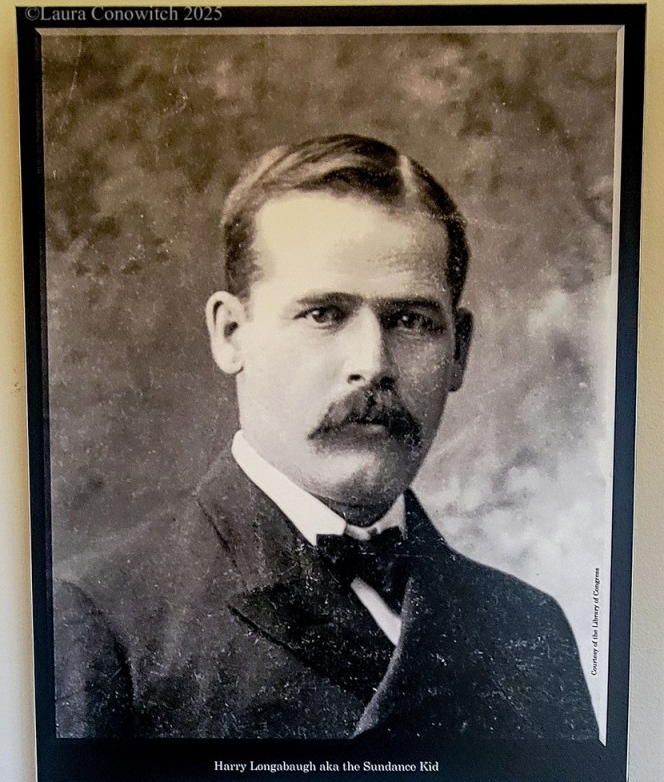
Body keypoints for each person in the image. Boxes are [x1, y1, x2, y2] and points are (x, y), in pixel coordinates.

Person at [54, 134, 597, 742]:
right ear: (231, 333)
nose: (373, 362)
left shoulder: (529, 629)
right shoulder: (98, 621)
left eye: (412, 321)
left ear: (459, 352)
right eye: (324, 314)